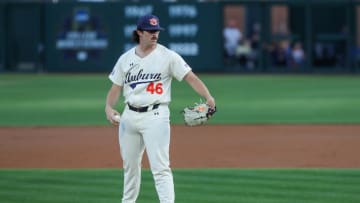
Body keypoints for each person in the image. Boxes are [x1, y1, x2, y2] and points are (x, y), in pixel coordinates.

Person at [105, 14, 216, 203]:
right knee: (130, 167)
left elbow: (191, 77)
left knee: (161, 168)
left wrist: (208, 97)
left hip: (156, 116)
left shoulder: (168, 56)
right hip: (129, 116)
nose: (154, 34)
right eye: (150, 31)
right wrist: (108, 107)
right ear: (139, 32)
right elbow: (115, 88)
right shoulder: (125, 59)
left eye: (156, 30)